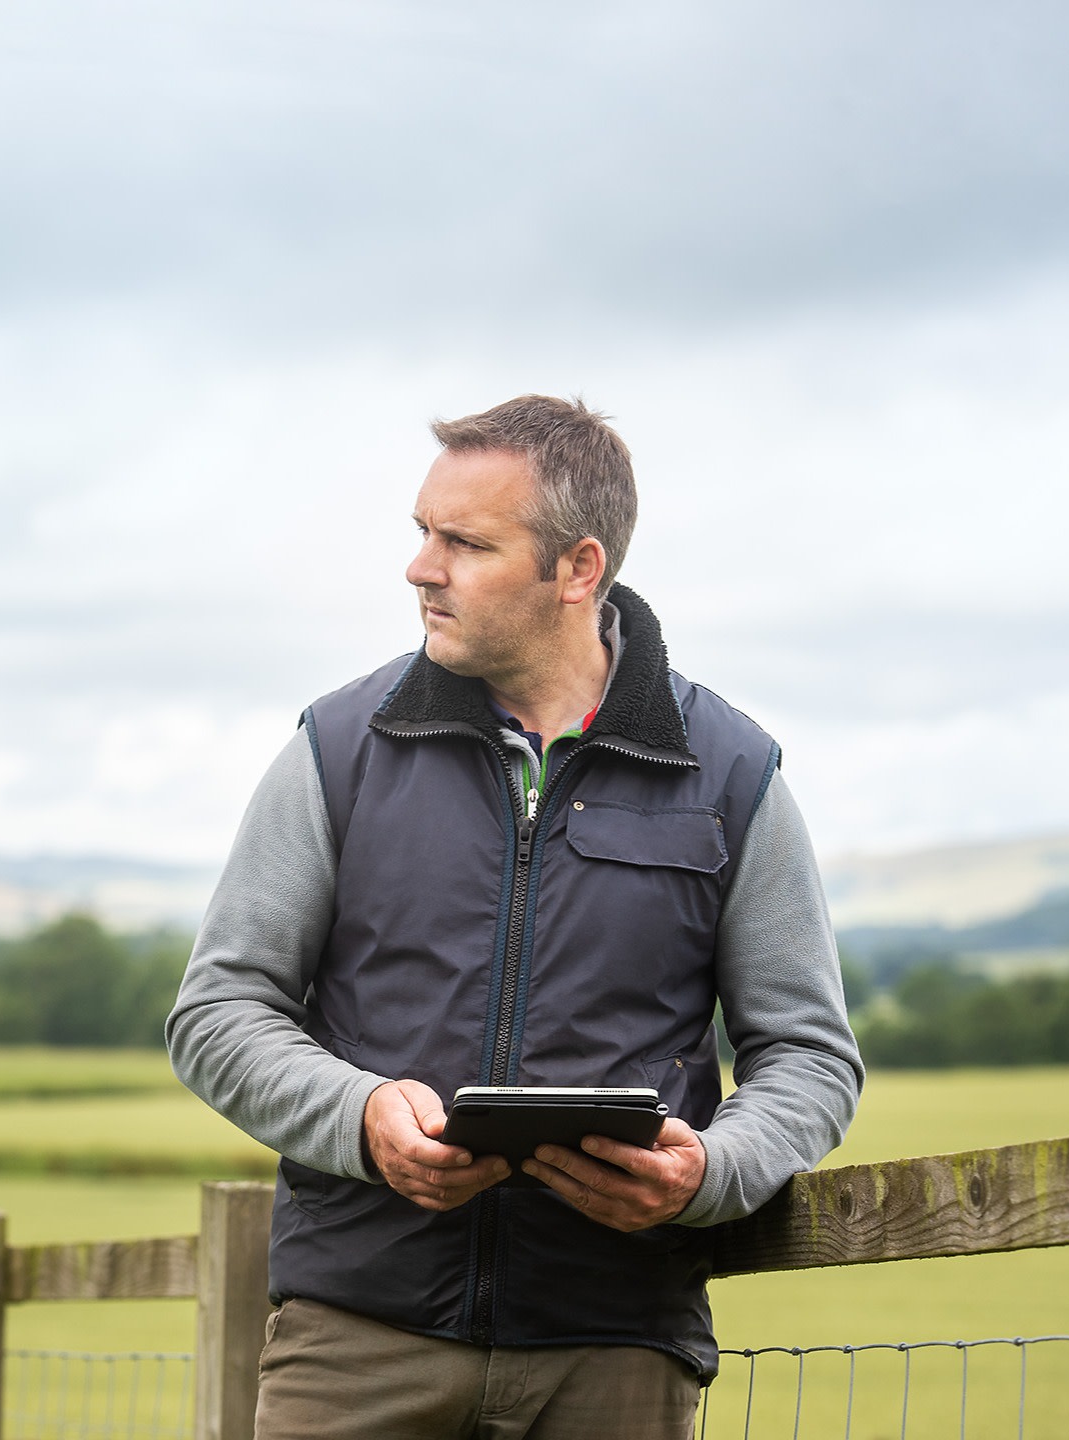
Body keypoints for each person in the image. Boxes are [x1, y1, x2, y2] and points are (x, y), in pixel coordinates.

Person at [166, 395, 863, 1439]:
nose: (421, 568)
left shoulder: (730, 771)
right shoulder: (339, 748)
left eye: (465, 542)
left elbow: (810, 1056)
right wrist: (360, 1116)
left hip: (616, 1346)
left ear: (578, 570)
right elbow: (218, 1010)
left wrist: (708, 1175)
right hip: (356, 1338)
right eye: (421, 533)